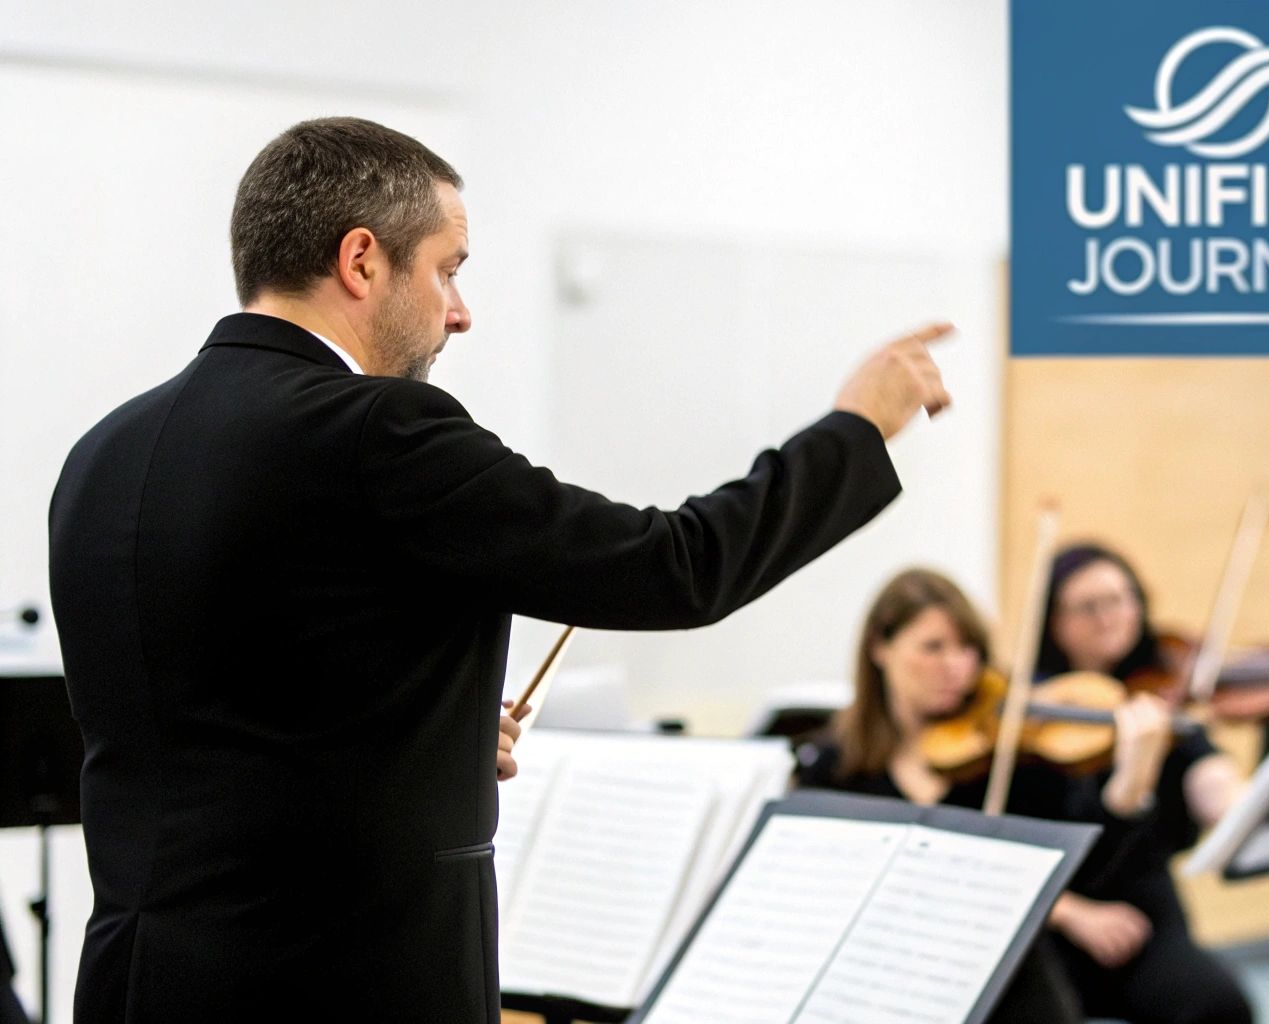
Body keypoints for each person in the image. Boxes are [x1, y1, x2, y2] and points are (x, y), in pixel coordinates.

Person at [48, 117, 952, 1023]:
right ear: (362, 261)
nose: (460, 311)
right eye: (447, 270)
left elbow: (228, 721)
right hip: (334, 986)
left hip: (136, 987)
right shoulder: (380, 429)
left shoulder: (104, 455)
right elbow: (676, 566)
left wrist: (426, 752)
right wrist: (856, 430)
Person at [795, 567, 1180, 1024]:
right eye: (933, 647)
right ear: (880, 646)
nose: (956, 667)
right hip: (888, 980)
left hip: (1007, 980)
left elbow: (1090, 868)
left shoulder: (1009, 752)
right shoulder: (834, 765)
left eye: (969, 648)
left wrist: (1130, 785)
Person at [1033, 543, 1255, 1024]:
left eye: (1120, 599)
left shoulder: (1160, 691)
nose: (1108, 617)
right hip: (1059, 923)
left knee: (1219, 1002)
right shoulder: (1035, 714)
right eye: (1088, 607)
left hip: (1147, 912)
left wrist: (1233, 794)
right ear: (1054, 622)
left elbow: (1205, 769)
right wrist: (1074, 913)